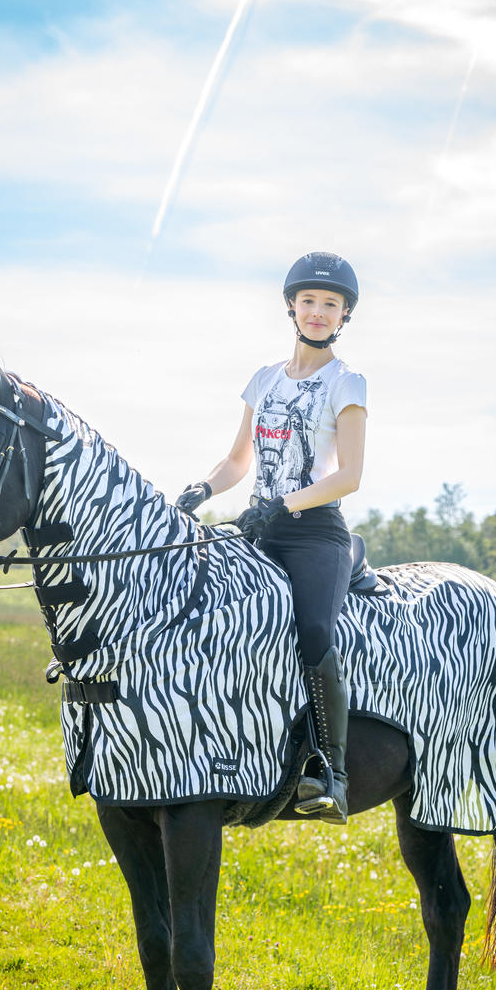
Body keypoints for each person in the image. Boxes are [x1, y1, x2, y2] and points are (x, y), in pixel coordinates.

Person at [175, 252, 367, 823]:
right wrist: (201, 490)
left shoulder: (347, 381)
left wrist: (281, 505)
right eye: (308, 301)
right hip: (258, 527)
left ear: (344, 315)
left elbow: (349, 476)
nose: (317, 312)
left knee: (312, 632)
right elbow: (238, 460)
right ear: (290, 306)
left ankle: (332, 772)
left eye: (329, 304)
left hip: (315, 535)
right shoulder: (263, 379)